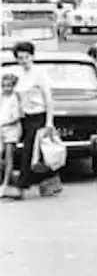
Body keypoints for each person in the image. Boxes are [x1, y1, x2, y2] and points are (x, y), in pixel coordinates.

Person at [7, 41, 59, 199]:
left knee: (29, 150)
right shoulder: (19, 75)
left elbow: (48, 99)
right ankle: (51, 181)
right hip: (25, 117)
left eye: (26, 57)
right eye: (20, 58)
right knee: (37, 152)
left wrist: (50, 122)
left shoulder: (39, 74)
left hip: (39, 115)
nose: (23, 61)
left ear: (32, 56)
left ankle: (21, 187)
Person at [1, 72, 22, 199]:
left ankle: (5, 183)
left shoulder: (15, 98)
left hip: (11, 130)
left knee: (9, 157)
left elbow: (16, 117)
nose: (6, 88)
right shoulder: (2, 97)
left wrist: (3, 123)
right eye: (4, 86)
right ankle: (12, 180)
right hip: (1, 129)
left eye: (9, 86)